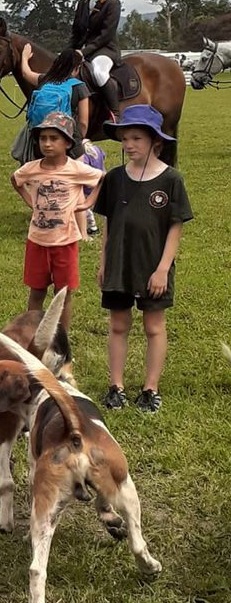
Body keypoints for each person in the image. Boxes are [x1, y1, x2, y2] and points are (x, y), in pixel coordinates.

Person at [93, 105, 192, 414]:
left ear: (156, 142)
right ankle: (116, 386)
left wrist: (163, 269)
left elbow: (175, 227)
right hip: (119, 263)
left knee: (153, 326)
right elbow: (109, 222)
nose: (129, 145)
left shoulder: (171, 180)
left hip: (152, 266)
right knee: (118, 324)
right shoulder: (115, 178)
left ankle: (150, 388)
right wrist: (103, 261)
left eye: (136, 138)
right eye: (125, 139)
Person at [10, 112, 104, 330]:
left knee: (63, 294)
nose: (47, 143)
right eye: (43, 138)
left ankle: (60, 340)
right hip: (37, 242)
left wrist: (88, 201)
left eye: (54, 138)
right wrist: (31, 201)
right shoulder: (32, 168)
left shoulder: (75, 169)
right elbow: (15, 180)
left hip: (65, 243)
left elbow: (101, 177)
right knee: (36, 291)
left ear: (68, 143)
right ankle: (30, 336)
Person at [13, 47, 90, 159]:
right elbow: (83, 123)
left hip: (41, 142)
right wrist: (79, 139)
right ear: (76, 68)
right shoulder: (79, 86)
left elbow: (26, 73)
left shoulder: (45, 80)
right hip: (68, 142)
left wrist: (25, 57)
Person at [69, 0, 122, 130]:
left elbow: (105, 35)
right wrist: (68, 52)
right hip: (84, 51)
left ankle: (115, 114)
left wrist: (83, 52)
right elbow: (76, 31)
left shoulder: (113, 3)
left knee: (99, 73)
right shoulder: (82, 3)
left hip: (106, 50)